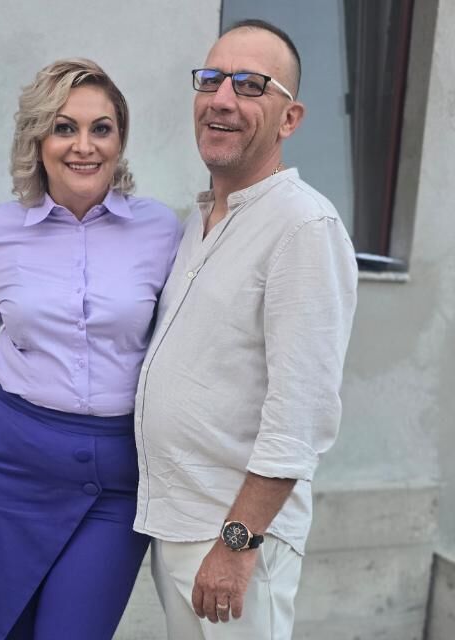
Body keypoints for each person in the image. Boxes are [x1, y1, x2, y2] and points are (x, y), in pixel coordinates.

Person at [0, 58, 182, 640]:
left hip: (117, 478)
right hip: (7, 470)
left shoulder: (162, 230)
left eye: (101, 128)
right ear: (37, 140)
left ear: (120, 140)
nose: (83, 146)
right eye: (64, 127)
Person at [133, 19, 358, 640]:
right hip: (180, 524)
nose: (222, 99)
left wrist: (237, 542)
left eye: (251, 85)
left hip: (232, 537)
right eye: (211, 80)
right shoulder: (201, 220)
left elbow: (301, 412)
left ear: (290, 119)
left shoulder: (302, 227)